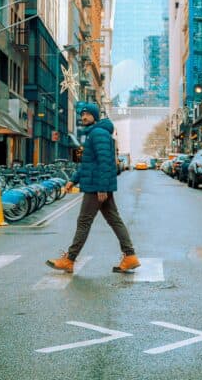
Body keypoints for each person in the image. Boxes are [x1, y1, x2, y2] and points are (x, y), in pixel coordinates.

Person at [47, 102, 139, 274]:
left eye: (88, 114)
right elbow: (88, 163)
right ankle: (130, 256)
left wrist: (102, 187)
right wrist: (72, 180)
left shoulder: (98, 134)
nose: (83, 117)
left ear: (95, 116)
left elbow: (105, 162)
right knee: (114, 220)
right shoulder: (95, 134)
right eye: (82, 114)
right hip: (97, 184)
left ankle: (69, 259)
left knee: (84, 222)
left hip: (96, 186)